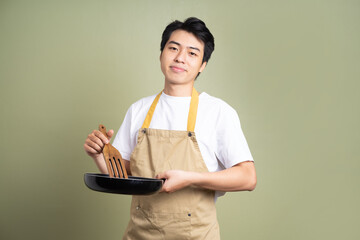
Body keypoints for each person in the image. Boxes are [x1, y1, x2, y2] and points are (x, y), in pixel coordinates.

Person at [84, 17, 256, 240]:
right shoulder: (139, 109)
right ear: (161, 53)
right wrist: (99, 155)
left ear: (203, 65)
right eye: (173, 48)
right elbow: (124, 174)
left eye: (192, 53)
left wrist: (191, 178)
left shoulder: (218, 112)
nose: (180, 58)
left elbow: (248, 177)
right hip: (139, 235)